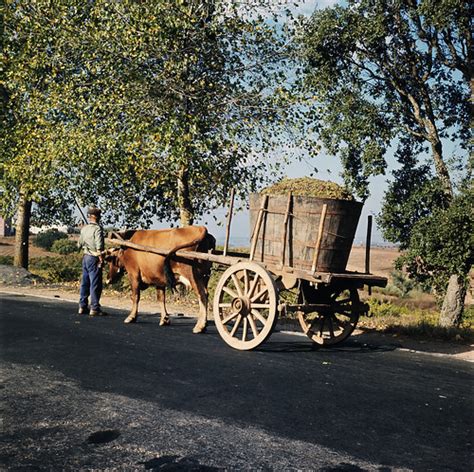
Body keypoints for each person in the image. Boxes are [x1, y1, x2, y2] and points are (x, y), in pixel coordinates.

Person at [77, 207, 106, 316]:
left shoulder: (84, 229)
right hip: (94, 258)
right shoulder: (97, 229)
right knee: (95, 283)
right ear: (96, 216)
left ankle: (82, 306)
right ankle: (94, 308)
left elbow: (79, 244)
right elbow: (99, 246)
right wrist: (101, 259)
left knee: (85, 282)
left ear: (89, 216)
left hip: (85, 257)